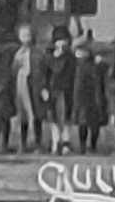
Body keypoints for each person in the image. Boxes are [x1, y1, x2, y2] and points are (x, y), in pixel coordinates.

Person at [7, 22, 51, 155]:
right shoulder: (18, 53)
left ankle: (38, 142)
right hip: (21, 85)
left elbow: (44, 70)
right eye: (23, 35)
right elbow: (13, 71)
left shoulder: (39, 53)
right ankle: (23, 143)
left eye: (28, 35)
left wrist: (44, 87)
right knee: (23, 115)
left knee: (37, 114)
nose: (26, 38)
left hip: (35, 85)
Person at [70, 30, 108, 155]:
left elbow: (98, 82)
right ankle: (85, 146)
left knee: (92, 124)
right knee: (85, 123)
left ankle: (91, 146)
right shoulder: (79, 66)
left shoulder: (93, 66)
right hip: (84, 98)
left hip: (92, 97)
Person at [45, 25, 77, 154]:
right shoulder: (49, 56)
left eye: (64, 40)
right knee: (54, 118)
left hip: (67, 90)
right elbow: (45, 73)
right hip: (53, 90)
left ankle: (66, 142)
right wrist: (44, 88)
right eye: (59, 40)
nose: (62, 43)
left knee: (66, 118)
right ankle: (55, 142)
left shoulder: (70, 58)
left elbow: (73, 74)